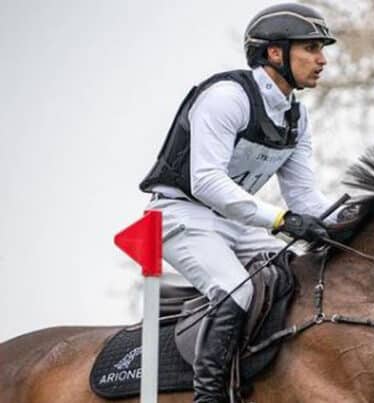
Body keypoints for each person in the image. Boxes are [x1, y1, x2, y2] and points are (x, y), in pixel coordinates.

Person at [138, 3, 338, 402]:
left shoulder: (295, 117)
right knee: (236, 293)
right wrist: (280, 219)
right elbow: (207, 181)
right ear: (275, 52)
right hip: (180, 216)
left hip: (237, 223)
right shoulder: (227, 96)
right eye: (311, 48)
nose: (322, 60)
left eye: (322, 49)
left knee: (296, 276)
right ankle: (209, 396)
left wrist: (349, 222)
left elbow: (302, 195)